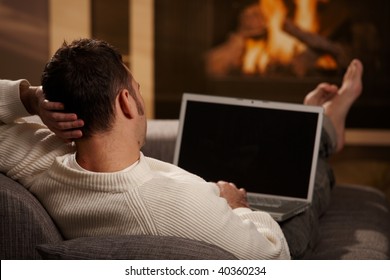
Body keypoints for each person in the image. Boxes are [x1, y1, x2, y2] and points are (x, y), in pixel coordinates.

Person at [0, 38, 363, 259]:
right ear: (126, 102)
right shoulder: (175, 207)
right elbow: (275, 256)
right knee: (307, 189)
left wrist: (28, 99)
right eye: (137, 87)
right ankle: (325, 129)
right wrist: (236, 208)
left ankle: (318, 122)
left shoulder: (41, 160)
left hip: (208, 201)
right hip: (264, 229)